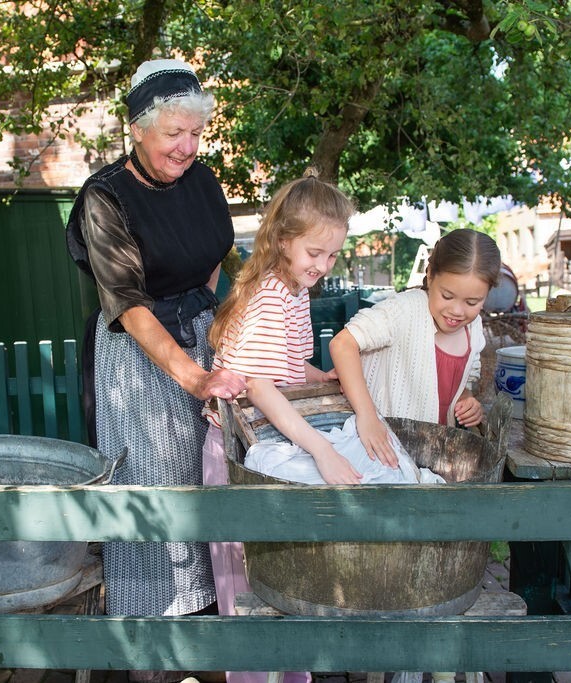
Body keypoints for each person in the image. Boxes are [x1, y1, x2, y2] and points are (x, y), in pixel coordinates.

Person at [64, 58, 246, 680]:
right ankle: (153, 649)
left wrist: (216, 333)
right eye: (174, 133)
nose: (187, 147)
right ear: (137, 129)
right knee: (154, 492)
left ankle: (210, 631)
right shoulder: (105, 196)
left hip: (198, 338)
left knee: (207, 478)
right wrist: (193, 377)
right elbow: (131, 308)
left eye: (196, 134)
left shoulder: (202, 178)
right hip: (138, 361)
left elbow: (214, 257)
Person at [202, 169, 358, 683]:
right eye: (315, 252)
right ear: (283, 240)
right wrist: (322, 449)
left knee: (286, 579)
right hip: (241, 453)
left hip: (270, 442)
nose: (324, 265)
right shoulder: (271, 296)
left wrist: (324, 376)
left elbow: (286, 369)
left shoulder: (293, 292)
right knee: (253, 588)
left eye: (333, 255)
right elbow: (261, 387)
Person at [329, 228, 501, 466]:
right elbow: (342, 344)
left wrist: (467, 399)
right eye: (447, 296)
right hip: (381, 450)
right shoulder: (405, 310)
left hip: (433, 454)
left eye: (472, 302)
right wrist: (368, 417)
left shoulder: (473, 327)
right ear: (430, 276)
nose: (457, 311)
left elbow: (463, 379)